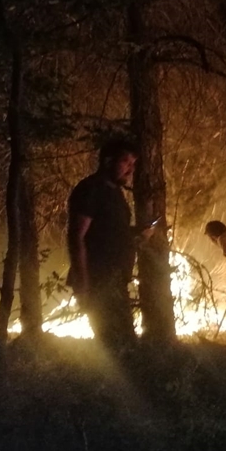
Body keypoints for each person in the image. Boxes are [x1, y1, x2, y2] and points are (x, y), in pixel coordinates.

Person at [67, 136, 156, 351]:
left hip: (115, 279)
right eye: (126, 162)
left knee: (123, 343)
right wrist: (84, 283)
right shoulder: (91, 190)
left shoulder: (114, 192)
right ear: (108, 161)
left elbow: (112, 233)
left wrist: (138, 234)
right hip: (99, 281)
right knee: (115, 345)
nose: (130, 170)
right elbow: (76, 237)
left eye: (133, 164)